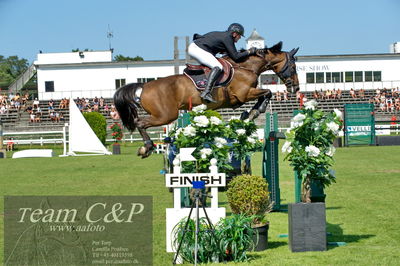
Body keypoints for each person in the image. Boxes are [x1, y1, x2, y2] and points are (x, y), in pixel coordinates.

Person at [188, 23, 257, 102]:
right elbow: (236, 57)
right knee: (218, 66)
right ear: (234, 34)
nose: (240, 38)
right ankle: (206, 92)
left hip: (196, 47)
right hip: (197, 49)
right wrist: (249, 51)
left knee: (213, 64)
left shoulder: (224, 35)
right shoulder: (228, 38)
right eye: (239, 35)